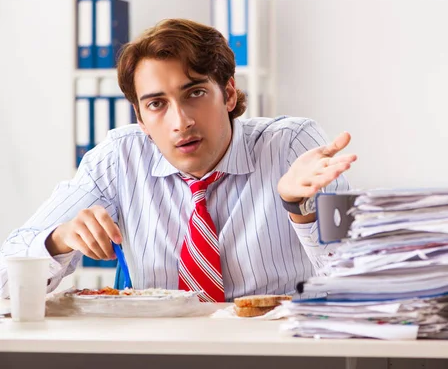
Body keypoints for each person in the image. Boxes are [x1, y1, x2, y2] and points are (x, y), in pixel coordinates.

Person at [0, 19, 357, 301]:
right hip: (159, 352)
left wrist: (300, 209)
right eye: (156, 104)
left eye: (196, 93)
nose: (181, 121)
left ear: (229, 94)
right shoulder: (119, 158)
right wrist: (57, 241)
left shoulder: (292, 146)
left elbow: (359, 281)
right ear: (140, 119)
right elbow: (4, 281)